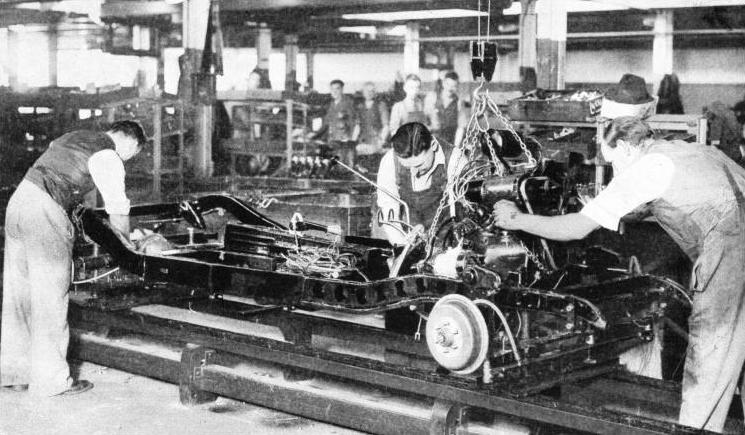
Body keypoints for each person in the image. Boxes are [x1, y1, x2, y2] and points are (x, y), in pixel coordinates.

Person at [492, 116, 745, 433]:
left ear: (625, 147)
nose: (614, 174)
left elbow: (576, 228)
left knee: (710, 360)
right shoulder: (686, 150)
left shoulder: (645, 169)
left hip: (732, 254)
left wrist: (517, 219)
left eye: (613, 163)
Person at [1, 120, 147, 396]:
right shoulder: (109, 154)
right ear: (131, 143)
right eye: (133, 155)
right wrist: (127, 243)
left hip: (19, 202)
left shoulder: (75, 137)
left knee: (18, 294)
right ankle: (51, 382)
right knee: (50, 298)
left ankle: (14, 374)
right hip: (45, 210)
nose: (128, 160)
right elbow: (117, 208)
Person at [375, 122, 464, 245]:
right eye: (406, 166)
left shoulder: (455, 160)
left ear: (433, 145)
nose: (413, 173)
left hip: (448, 238)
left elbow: (467, 212)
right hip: (408, 235)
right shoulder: (389, 161)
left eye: (418, 165)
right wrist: (401, 245)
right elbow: (388, 208)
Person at [310, 79, 359, 167]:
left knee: (341, 167)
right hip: (332, 141)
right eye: (332, 89)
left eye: (337, 89)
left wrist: (350, 141)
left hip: (343, 143)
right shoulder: (332, 105)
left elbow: (355, 123)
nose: (334, 92)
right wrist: (313, 135)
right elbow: (326, 123)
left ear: (342, 90)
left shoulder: (348, 103)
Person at [424, 71, 468, 147]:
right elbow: (423, 120)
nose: (450, 88)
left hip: (449, 141)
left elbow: (461, 127)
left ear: (457, 86)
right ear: (443, 83)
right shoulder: (432, 97)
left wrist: (455, 147)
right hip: (431, 140)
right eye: (448, 84)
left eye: (454, 86)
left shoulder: (459, 102)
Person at [356, 81, 390, 155]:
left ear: (375, 93)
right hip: (362, 142)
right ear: (363, 92)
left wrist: (382, 141)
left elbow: (386, 126)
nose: (369, 93)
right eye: (367, 91)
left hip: (376, 141)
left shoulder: (381, 105)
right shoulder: (360, 107)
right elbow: (357, 126)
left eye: (372, 91)